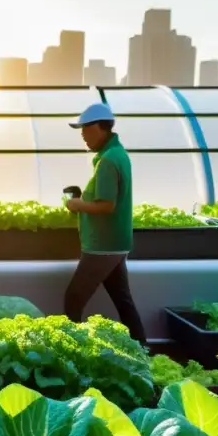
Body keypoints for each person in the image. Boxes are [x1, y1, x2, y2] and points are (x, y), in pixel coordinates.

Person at [62, 102, 146, 342]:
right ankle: (144, 351)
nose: (83, 136)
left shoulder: (108, 160)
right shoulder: (118, 153)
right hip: (116, 243)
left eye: (85, 130)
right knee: (123, 301)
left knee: (74, 299)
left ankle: (72, 350)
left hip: (103, 246)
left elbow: (107, 205)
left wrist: (76, 204)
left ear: (100, 128)